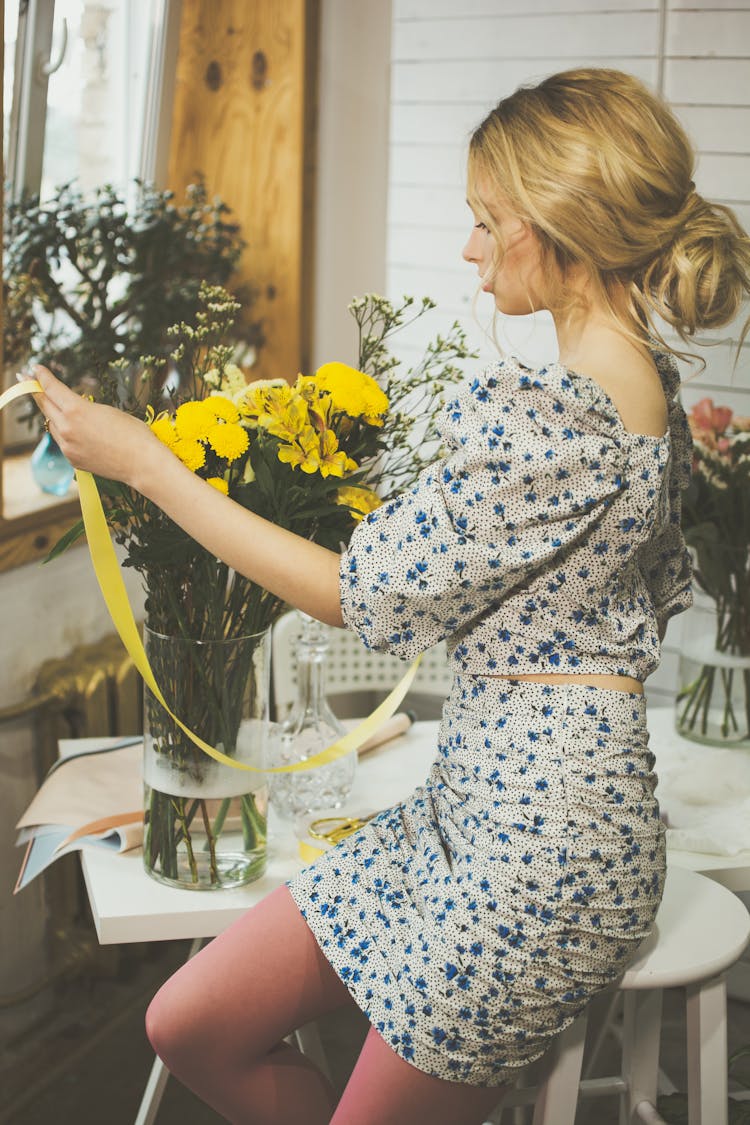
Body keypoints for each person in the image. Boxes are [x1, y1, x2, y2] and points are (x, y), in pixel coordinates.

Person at [35, 68, 750, 1125]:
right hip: (480, 806)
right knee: (187, 1022)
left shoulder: (556, 410)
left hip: (541, 854)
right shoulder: (632, 378)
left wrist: (146, 465)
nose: (469, 249)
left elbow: (351, 594)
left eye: (485, 222)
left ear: (556, 224)